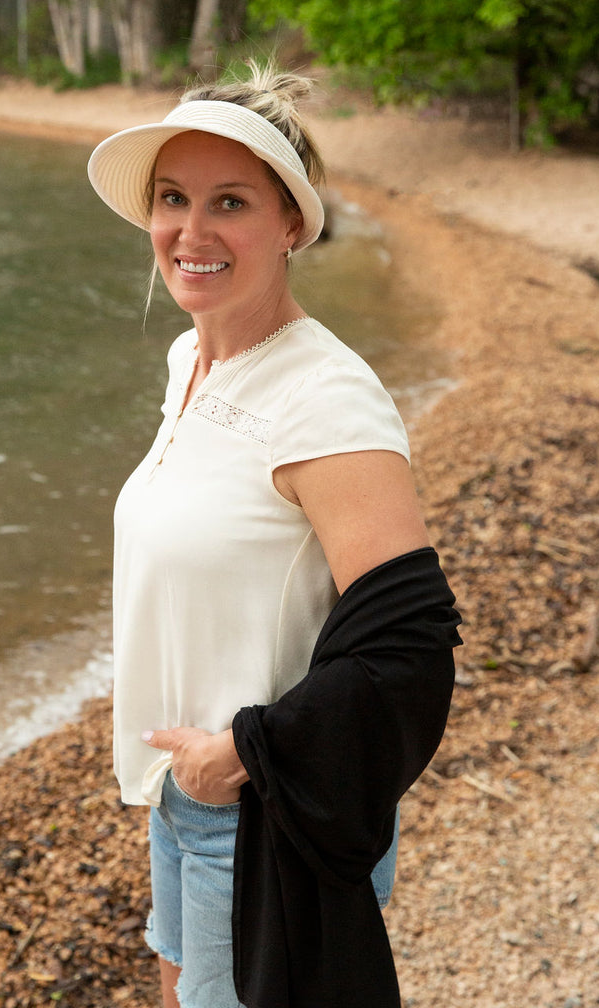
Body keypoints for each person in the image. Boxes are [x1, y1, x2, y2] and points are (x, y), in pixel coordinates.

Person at [87, 63, 462, 1008]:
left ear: (292, 224)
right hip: (182, 798)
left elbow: (410, 650)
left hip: (258, 815)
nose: (192, 231)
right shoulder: (192, 359)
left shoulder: (324, 397)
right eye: (172, 199)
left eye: (231, 203)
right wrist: (194, 771)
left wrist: (244, 754)